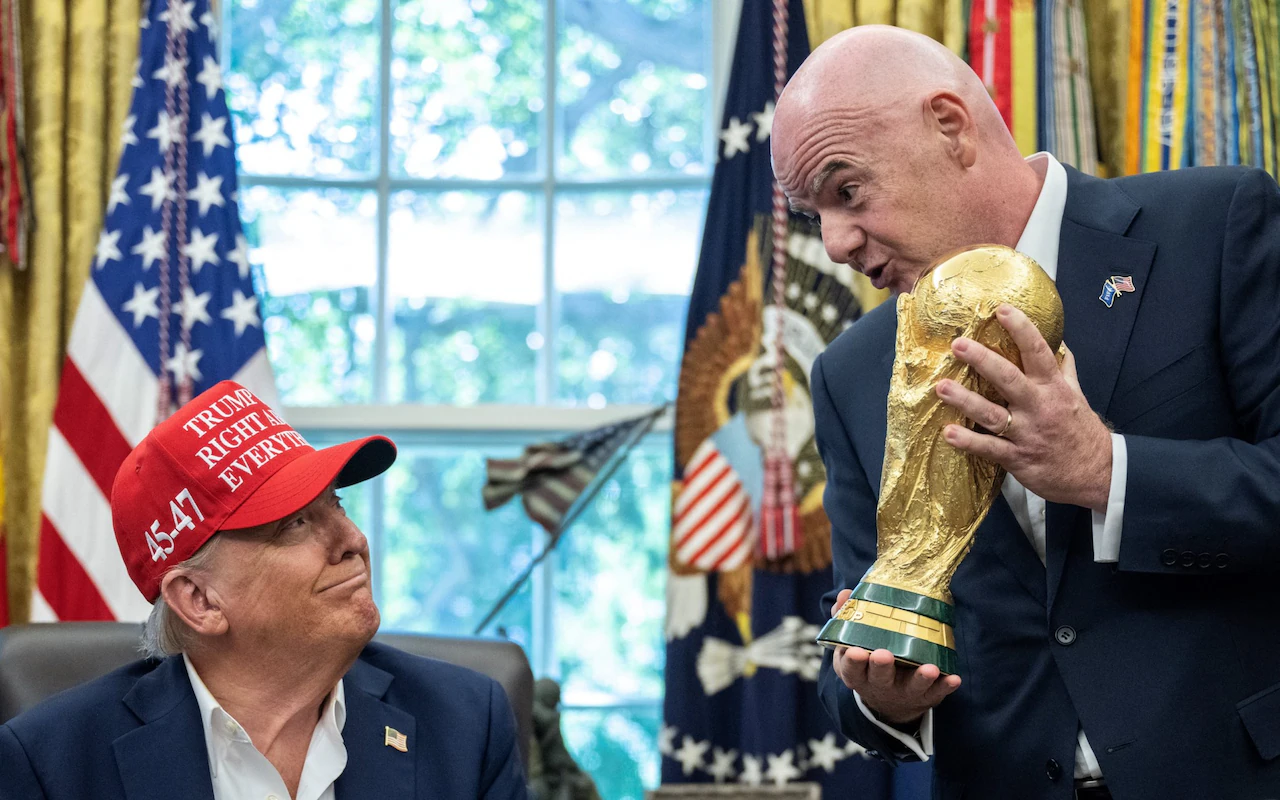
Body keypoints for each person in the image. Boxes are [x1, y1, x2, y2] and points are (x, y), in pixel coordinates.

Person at [772, 24, 1280, 800]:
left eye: (846, 192)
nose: (836, 244)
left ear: (950, 127)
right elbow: (859, 625)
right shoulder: (851, 373)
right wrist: (881, 697)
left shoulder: (1215, 226)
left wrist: (1107, 472)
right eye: (814, 217)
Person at [0, 381, 528, 799]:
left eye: (337, 505)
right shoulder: (52, 766)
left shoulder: (464, 724)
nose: (353, 541)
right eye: (294, 524)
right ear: (200, 600)